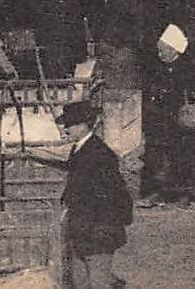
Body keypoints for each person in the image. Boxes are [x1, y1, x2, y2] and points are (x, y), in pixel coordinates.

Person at [54, 100, 131, 288]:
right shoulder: (81, 148)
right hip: (83, 227)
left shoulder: (99, 153)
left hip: (98, 228)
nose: (66, 129)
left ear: (83, 125)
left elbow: (112, 193)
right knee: (81, 281)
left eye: (70, 124)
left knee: (97, 282)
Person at [139, 24, 195, 206]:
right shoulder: (157, 67)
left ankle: (188, 192)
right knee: (158, 155)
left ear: (175, 50)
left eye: (164, 50)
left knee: (186, 155)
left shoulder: (189, 68)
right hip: (163, 120)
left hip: (186, 122)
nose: (160, 53)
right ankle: (159, 191)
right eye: (159, 50)